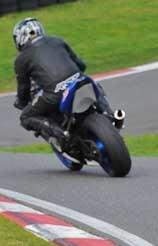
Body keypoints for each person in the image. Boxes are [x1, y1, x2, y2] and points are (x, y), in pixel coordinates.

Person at [12, 17, 115, 150]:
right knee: (90, 82)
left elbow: (23, 88)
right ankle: (109, 113)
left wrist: (21, 103)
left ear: (21, 38)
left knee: (26, 116)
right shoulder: (57, 40)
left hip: (55, 94)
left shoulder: (21, 59)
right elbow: (80, 64)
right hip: (79, 81)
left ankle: (61, 134)